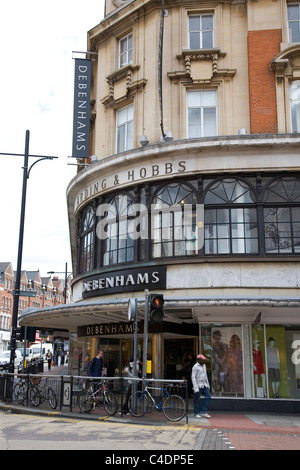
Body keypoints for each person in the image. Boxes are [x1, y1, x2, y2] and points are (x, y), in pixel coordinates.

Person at [191, 354, 211, 418]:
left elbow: (205, 375)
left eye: (204, 360)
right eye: (202, 359)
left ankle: (204, 411)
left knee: (208, 397)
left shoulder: (204, 366)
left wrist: (208, 384)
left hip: (204, 384)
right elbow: (193, 377)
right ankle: (196, 413)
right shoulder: (195, 366)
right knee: (196, 399)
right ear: (199, 360)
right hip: (198, 385)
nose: (204, 361)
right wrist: (195, 387)